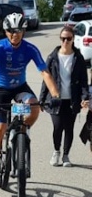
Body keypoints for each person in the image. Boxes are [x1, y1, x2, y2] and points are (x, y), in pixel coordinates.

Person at [0, 12, 61, 187]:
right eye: (10, 31)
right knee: (0, 129)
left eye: (18, 31)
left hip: (19, 88)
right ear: (5, 32)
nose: (14, 34)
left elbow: (44, 72)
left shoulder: (30, 48)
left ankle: (21, 131)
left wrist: (55, 95)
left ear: (23, 32)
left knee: (34, 106)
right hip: (0, 89)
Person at [39, 26, 89, 167]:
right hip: (55, 100)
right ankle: (56, 152)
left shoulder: (78, 58)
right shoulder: (52, 57)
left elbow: (84, 82)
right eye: (63, 38)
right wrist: (41, 99)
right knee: (57, 126)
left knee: (69, 128)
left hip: (72, 99)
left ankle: (66, 155)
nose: (65, 41)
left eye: (68, 38)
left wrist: (85, 98)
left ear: (73, 39)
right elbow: (46, 79)